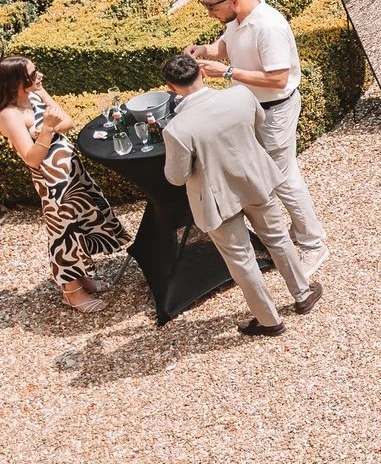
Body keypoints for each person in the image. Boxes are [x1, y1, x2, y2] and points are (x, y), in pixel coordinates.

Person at [159, 53, 316, 336]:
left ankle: (269, 321)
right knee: (278, 238)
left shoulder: (176, 129)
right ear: (203, 74)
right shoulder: (240, 96)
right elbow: (258, 126)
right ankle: (302, 294)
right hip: (255, 179)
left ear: (171, 88)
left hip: (217, 198)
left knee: (242, 260)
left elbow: (176, 177)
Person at [185, 0, 325, 278]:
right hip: (253, 108)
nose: (209, 13)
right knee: (280, 177)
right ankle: (301, 231)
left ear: (232, 1)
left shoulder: (267, 27)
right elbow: (226, 46)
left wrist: (227, 73)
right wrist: (204, 50)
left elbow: (277, 79)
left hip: (275, 110)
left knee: (283, 179)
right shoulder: (239, 17)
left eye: (211, 7)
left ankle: (314, 243)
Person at [1, 55, 129, 313]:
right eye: (33, 73)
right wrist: (47, 129)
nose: (39, 76)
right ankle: (70, 292)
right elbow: (32, 159)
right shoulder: (9, 115)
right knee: (64, 233)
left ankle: (80, 277)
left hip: (71, 172)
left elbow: (68, 121)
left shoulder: (35, 94)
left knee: (80, 223)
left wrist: (47, 126)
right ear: (16, 82)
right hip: (52, 182)